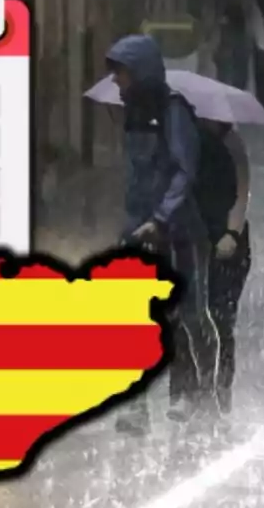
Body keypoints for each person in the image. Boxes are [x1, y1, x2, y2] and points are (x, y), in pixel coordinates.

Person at [106, 34, 222, 432]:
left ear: (139, 72)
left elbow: (184, 169)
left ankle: (204, 391)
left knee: (191, 314)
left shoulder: (174, 112)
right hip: (140, 230)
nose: (117, 83)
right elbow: (138, 175)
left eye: (121, 74)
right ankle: (137, 406)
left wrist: (161, 217)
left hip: (180, 232)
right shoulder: (132, 114)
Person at [195, 119, 252, 415]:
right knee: (191, 315)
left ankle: (221, 390)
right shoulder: (185, 137)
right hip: (194, 237)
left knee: (221, 317)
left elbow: (243, 191)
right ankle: (195, 390)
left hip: (227, 241)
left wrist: (231, 233)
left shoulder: (232, 142)